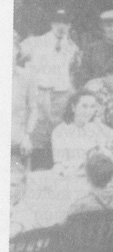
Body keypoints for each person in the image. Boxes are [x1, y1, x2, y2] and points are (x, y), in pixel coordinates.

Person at [20, 9, 81, 166]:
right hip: (40, 95)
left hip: (61, 96)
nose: (62, 26)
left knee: (56, 135)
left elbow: (72, 71)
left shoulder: (72, 47)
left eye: (66, 23)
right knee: (36, 136)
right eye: (58, 22)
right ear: (51, 23)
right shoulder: (35, 42)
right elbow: (17, 59)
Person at [51, 91, 113, 174]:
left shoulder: (96, 127)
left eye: (92, 107)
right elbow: (59, 164)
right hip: (72, 177)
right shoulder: (60, 131)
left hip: (95, 177)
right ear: (73, 107)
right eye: (84, 106)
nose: (89, 111)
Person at [11, 32, 39, 159]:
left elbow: (33, 109)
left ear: (17, 50)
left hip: (17, 141)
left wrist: (27, 136)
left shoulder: (27, 76)